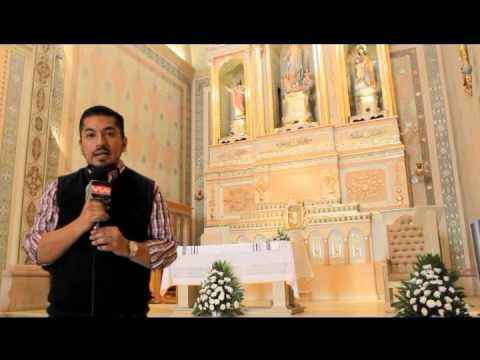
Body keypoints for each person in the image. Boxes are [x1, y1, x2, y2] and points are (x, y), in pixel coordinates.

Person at [23, 105, 177, 318]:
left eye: (110, 133)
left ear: (124, 143)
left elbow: (168, 252)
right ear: (81, 144)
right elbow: (37, 251)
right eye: (90, 135)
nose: (100, 143)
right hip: (65, 313)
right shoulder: (58, 188)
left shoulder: (149, 190)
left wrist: (128, 247)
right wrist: (82, 222)